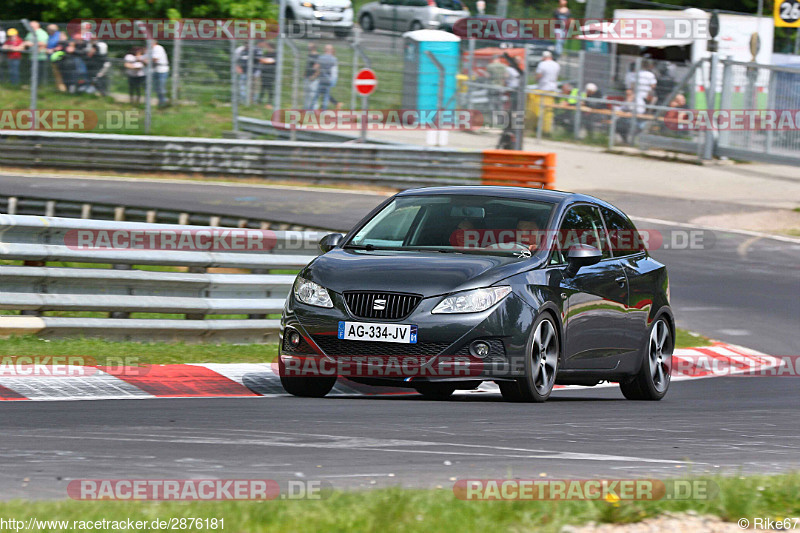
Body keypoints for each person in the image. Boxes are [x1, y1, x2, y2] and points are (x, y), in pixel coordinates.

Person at [24, 21, 49, 86]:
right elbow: (26, 41)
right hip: (31, 56)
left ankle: (38, 86)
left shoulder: (42, 33)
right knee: (32, 72)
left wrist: (32, 44)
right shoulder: (30, 33)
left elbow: (44, 43)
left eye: (31, 26)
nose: (29, 27)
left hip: (40, 57)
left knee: (38, 73)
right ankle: (32, 85)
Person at [147, 40, 170, 107]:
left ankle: (163, 102)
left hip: (161, 70)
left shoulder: (157, 48)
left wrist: (146, 61)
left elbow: (155, 58)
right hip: (156, 70)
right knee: (157, 88)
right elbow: (146, 56)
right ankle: (161, 102)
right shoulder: (151, 49)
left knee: (161, 87)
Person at [315, 44, 337, 111]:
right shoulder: (334, 59)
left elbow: (316, 67)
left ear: (324, 50)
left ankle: (311, 111)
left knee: (316, 96)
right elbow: (334, 71)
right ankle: (323, 111)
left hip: (321, 79)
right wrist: (333, 81)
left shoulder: (321, 58)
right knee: (325, 96)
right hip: (328, 80)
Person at [257, 41, 276, 107]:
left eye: (267, 47)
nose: (266, 48)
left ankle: (269, 103)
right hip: (264, 73)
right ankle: (259, 102)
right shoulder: (266, 54)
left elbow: (271, 61)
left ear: (270, 47)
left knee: (270, 88)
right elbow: (262, 62)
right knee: (262, 88)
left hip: (271, 74)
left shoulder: (275, 54)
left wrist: (262, 60)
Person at [303, 43, 319, 110]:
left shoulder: (317, 56)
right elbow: (308, 65)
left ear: (313, 47)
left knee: (312, 94)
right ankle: (306, 108)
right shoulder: (309, 55)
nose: (308, 48)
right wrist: (305, 73)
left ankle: (313, 109)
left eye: (309, 47)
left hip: (313, 78)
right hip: (307, 77)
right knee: (306, 94)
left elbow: (318, 67)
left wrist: (314, 76)